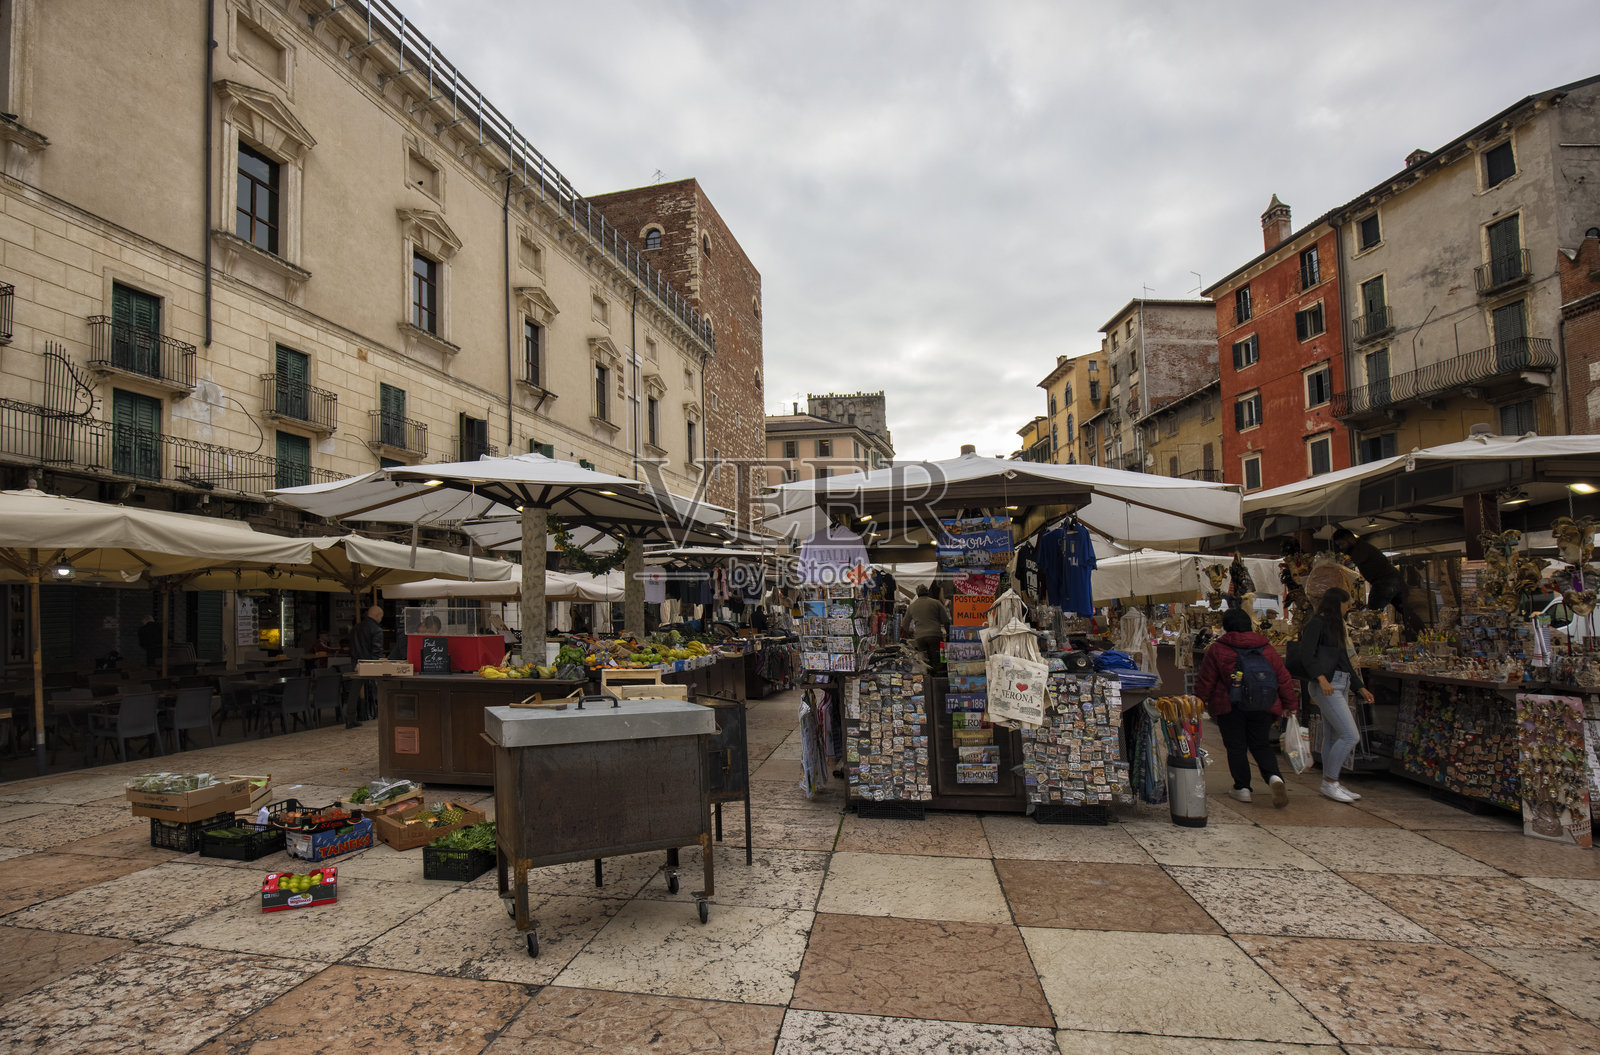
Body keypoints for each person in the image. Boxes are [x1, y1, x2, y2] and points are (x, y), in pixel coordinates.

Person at [1194, 607, 1298, 807]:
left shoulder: (1218, 648)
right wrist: (1290, 703)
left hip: (1230, 706)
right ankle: (1274, 778)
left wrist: (1198, 701)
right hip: (1263, 705)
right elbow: (1283, 678)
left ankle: (1242, 788)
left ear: (1226, 626)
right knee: (1261, 744)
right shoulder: (1266, 647)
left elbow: (1206, 679)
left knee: (1236, 747)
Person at [1296, 586, 1373, 803]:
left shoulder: (1335, 626)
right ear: (1337, 603)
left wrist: (1359, 687)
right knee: (1350, 735)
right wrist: (1321, 679)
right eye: (1346, 604)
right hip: (1327, 686)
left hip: (1339, 684)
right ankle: (1330, 782)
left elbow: (1343, 660)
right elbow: (1306, 654)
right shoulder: (1316, 624)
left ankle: (1331, 782)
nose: (1348, 608)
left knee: (1332, 736)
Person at [1330, 528, 1418, 635]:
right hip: (1395, 580)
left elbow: (1350, 563)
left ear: (1350, 539)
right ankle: (1420, 633)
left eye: (1342, 544)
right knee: (1406, 611)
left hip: (1384, 581)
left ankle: (1375, 638)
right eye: (1339, 545)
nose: (1341, 547)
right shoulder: (1363, 547)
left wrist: (1334, 565)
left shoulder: (1360, 549)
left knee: (1373, 614)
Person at [349, 605, 385, 727]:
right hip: (370, 664)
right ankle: (382, 714)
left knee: (354, 691)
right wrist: (376, 665)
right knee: (380, 688)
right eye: (381, 617)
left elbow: (352, 647)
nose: (381, 619)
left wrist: (356, 662)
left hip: (357, 663)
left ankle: (350, 717)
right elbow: (376, 651)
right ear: (377, 615)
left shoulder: (356, 628)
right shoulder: (377, 630)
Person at [903, 584, 951, 669]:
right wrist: (948, 635)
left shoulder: (912, 606)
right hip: (935, 636)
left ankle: (928, 675)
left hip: (920, 638)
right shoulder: (936, 602)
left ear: (917, 593)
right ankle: (939, 674)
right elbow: (946, 621)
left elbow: (905, 625)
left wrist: (911, 633)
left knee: (925, 662)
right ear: (927, 592)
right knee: (940, 660)